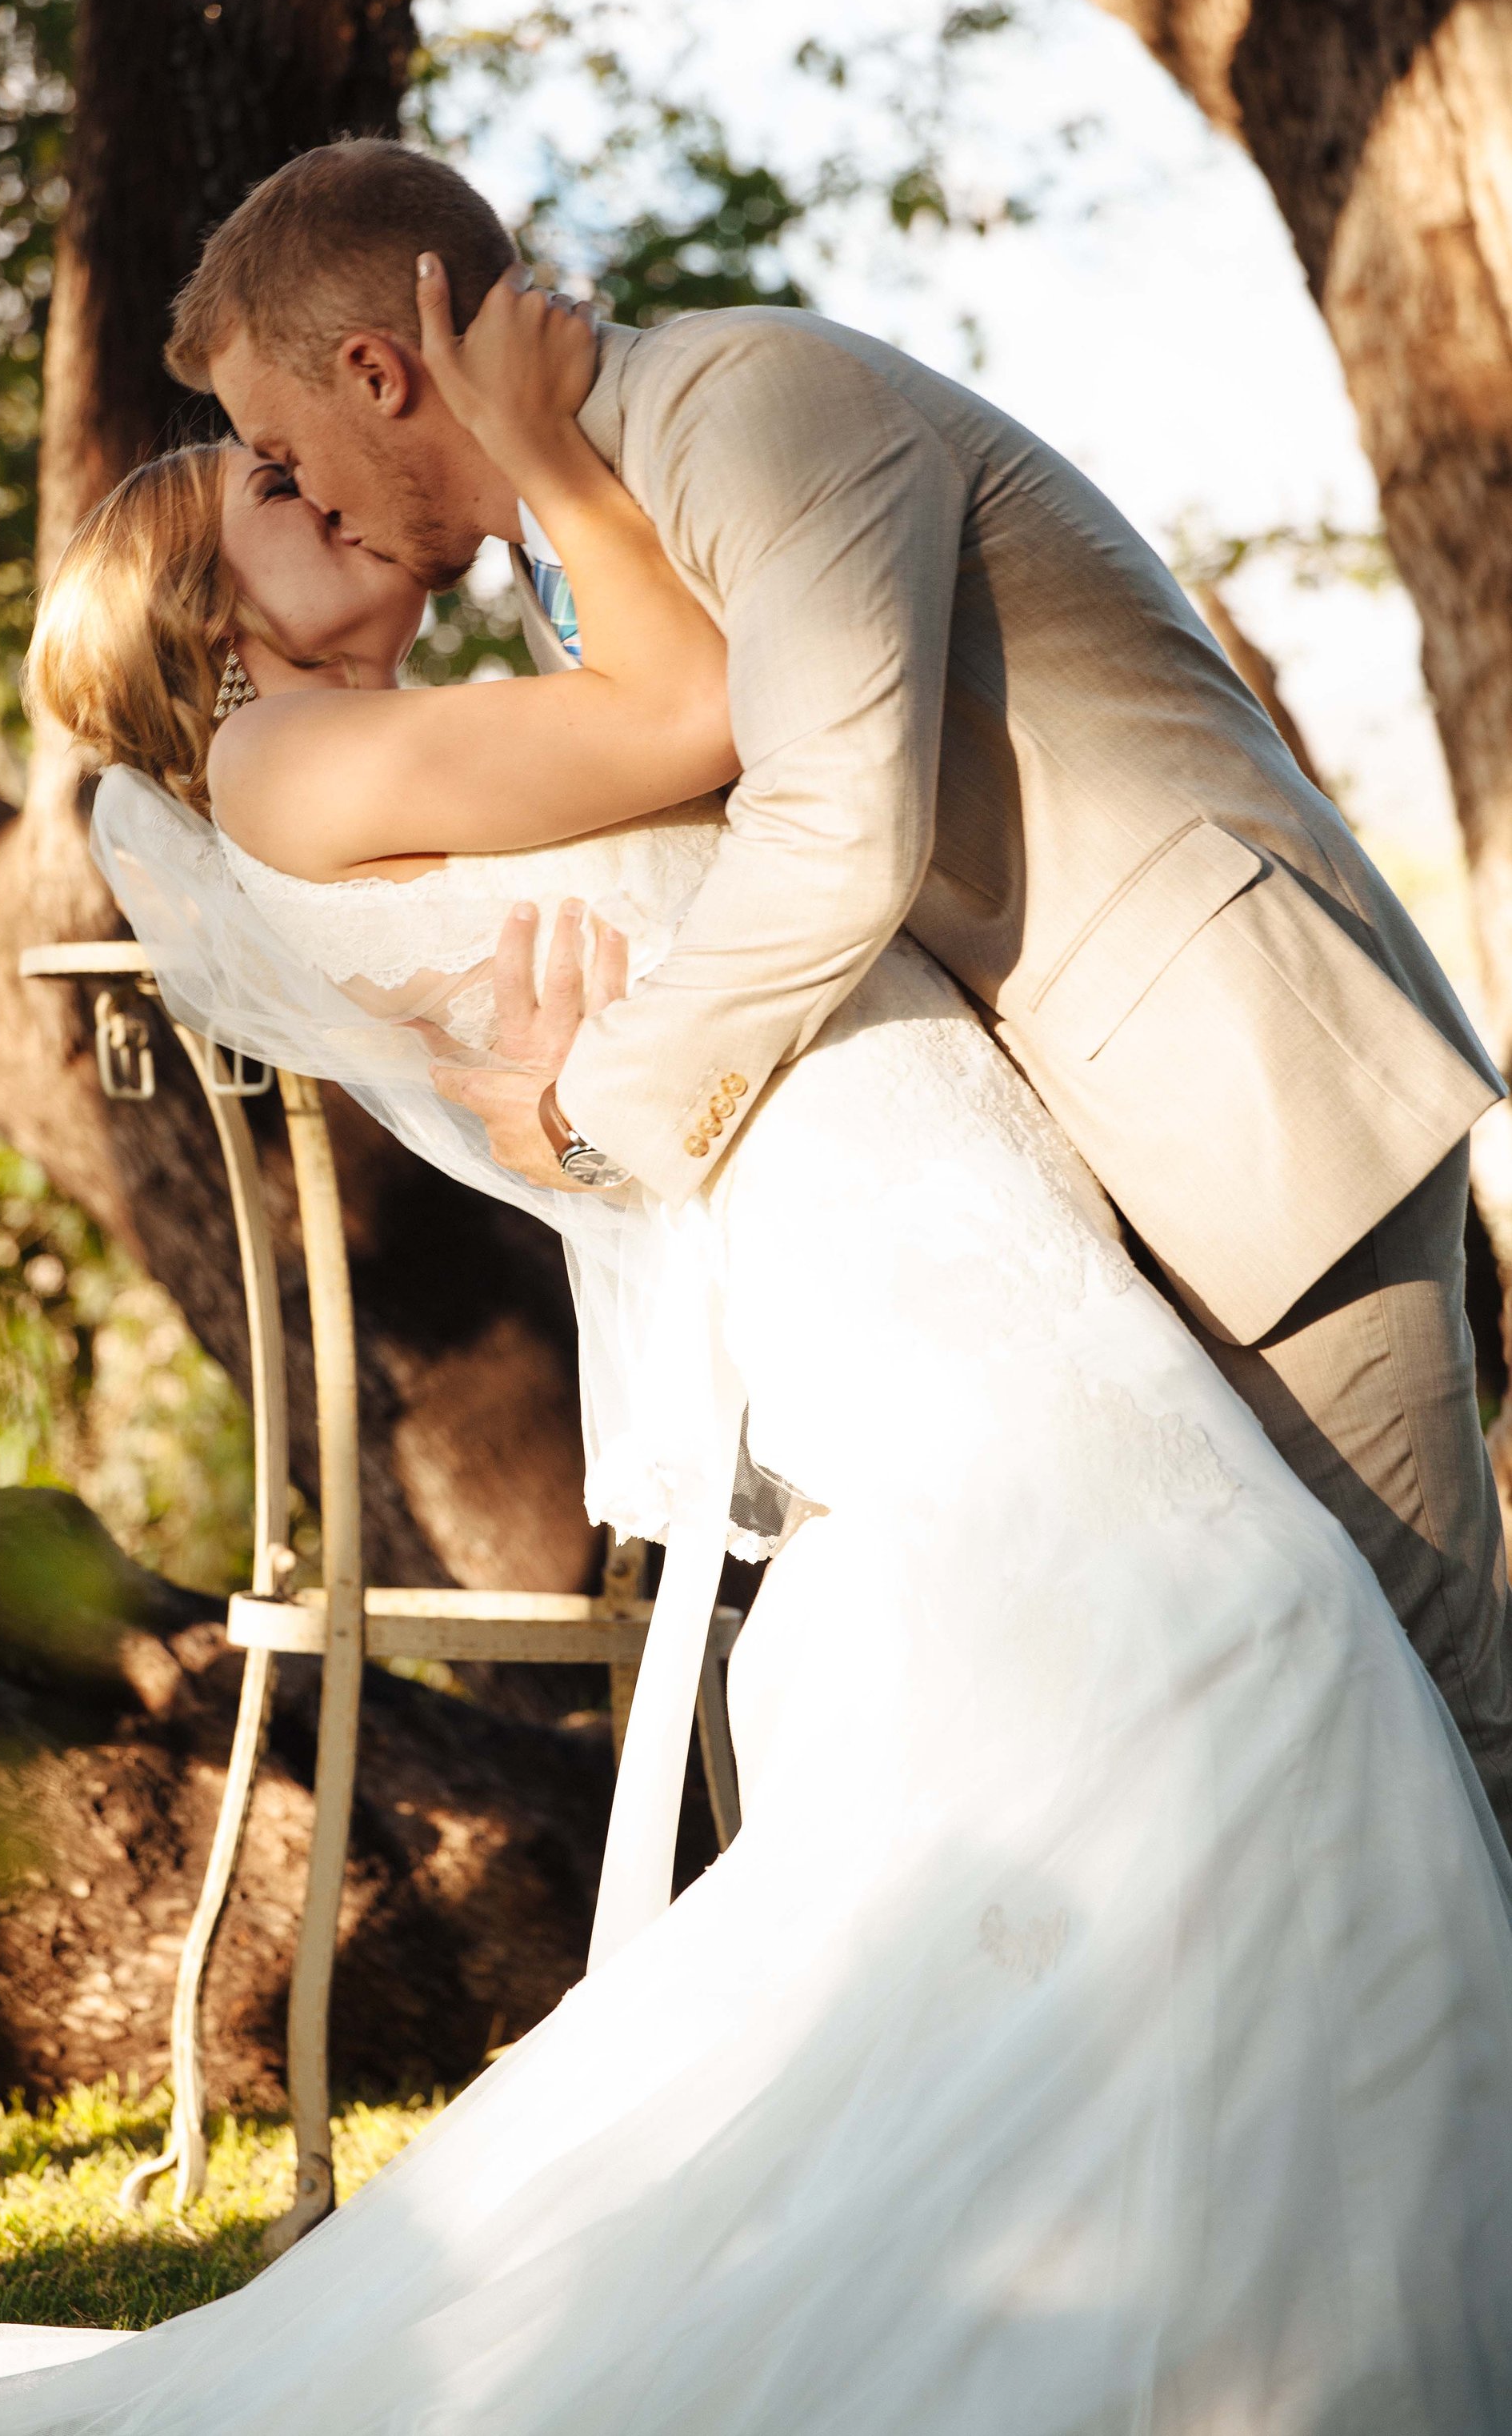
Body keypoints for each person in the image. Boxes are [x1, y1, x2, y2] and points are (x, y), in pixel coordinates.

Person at [0, 261, 1512, 2435]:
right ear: (195, 600)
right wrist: (541, 448)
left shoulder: (362, 739)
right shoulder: (283, 759)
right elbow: (708, 717)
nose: (306, 486)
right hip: (880, 1222)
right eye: (257, 484)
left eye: (292, 451)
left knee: (1225, 1655)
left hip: (918, 1194)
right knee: (1234, 1643)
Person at [164, 135, 1512, 1859]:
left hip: (1239, 1088)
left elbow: (835, 820)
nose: (306, 495)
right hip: (1097, 1150)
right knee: (1317, 1739)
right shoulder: (594, 538)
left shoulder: (751, 403)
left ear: (376, 369)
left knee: (1445, 1719)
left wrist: (592, 1105)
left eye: (283, 451)